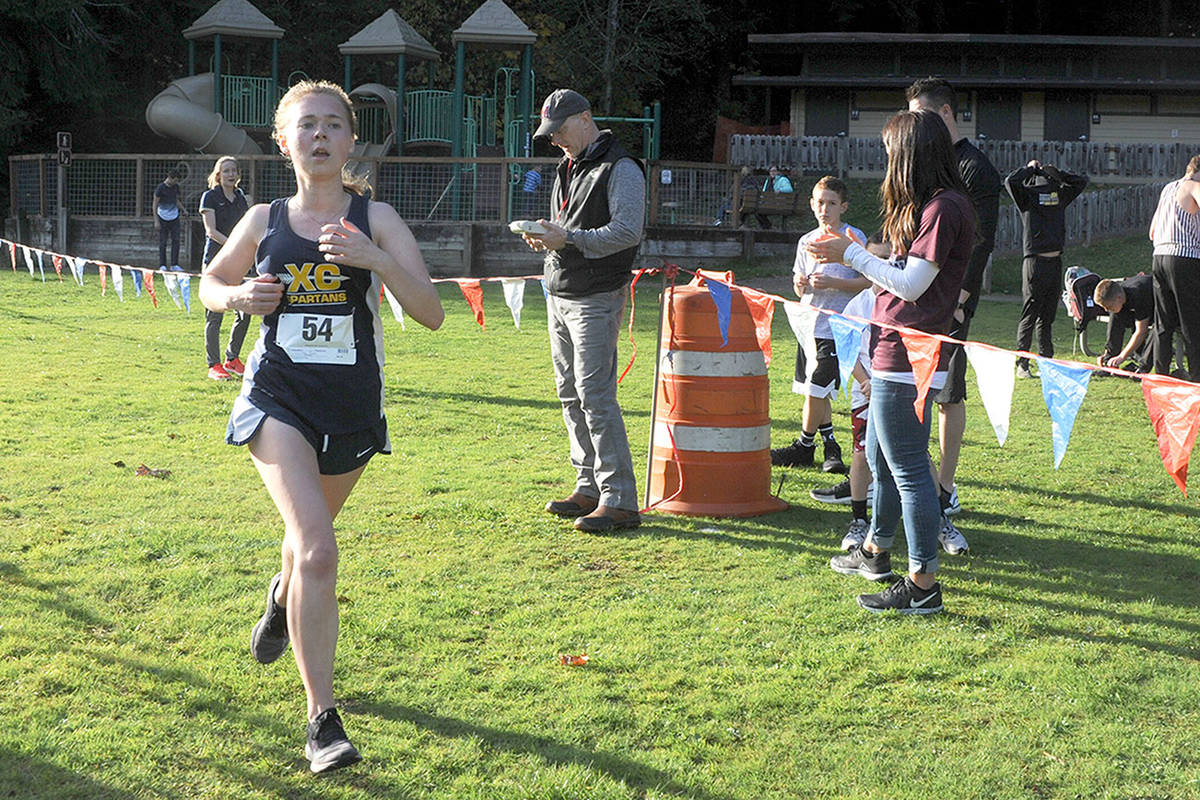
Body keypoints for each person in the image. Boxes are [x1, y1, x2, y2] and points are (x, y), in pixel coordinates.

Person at [199, 80, 444, 773]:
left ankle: (281, 598)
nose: (321, 136)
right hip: (277, 397)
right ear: (285, 141)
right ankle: (321, 723)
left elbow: (431, 312)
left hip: (351, 407)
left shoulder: (379, 218)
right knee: (319, 549)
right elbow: (208, 284)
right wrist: (240, 293)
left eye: (334, 125)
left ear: (349, 141)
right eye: (307, 126)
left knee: (304, 553)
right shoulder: (261, 218)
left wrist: (377, 260)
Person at [807, 108, 976, 615]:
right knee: (881, 459)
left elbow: (912, 283)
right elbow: (903, 268)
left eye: (889, 153)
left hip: (911, 354)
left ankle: (922, 584)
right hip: (892, 347)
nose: (886, 162)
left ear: (911, 155)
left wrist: (851, 255)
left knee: (907, 469)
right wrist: (865, 253)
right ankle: (877, 552)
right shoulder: (930, 206)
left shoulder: (946, 207)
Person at [521, 88, 645, 532]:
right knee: (571, 395)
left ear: (586, 118)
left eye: (560, 130)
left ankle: (620, 499)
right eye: (550, 133)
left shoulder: (622, 167)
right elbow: (572, 227)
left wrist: (567, 239)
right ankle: (589, 486)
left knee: (594, 396)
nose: (555, 140)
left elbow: (627, 232)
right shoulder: (568, 165)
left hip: (596, 295)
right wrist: (548, 236)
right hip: (562, 291)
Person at [905, 77, 1001, 526]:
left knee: (946, 390)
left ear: (945, 114)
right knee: (908, 387)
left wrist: (959, 299)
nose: (916, 127)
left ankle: (945, 488)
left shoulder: (974, 169)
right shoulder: (927, 164)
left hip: (951, 300)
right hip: (918, 294)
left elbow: (979, 242)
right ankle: (900, 475)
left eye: (922, 116)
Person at [771, 176, 868, 473]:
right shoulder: (806, 241)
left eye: (832, 203)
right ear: (812, 205)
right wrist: (800, 284)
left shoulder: (853, 237)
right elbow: (799, 286)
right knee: (818, 390)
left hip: (839, 327)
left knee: (816, 389)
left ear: (844, 207)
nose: (825, 209)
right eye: (820, 202)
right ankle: (830, 448)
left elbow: (868, 282)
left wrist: (835, 283)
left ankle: (804, 444)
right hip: (809, 325)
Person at [1006, 159, 1088, 378]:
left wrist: (1056, 172)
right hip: (1034, 261)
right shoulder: (1028, 197)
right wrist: (1030, 168)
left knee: (1047, 316)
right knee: (1030, 313)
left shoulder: (1058, 195)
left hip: (1054, 261)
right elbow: (1010, 181)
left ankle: (1047, 361)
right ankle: (1022, 364)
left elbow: (1081, 182)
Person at [199, 157, 251, 381]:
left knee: (245, 311)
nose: (230, 174)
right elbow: (211, 231)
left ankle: (233, 359)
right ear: (218, 175)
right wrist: (233, 246)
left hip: (238, 260)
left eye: (234, 170)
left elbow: (248, 227)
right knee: (215, 315)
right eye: (226, 171)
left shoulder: (241, 197)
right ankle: (214, 365)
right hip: (216, 260)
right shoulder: (210, 197)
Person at [1150, 155, 1200, 381]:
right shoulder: (1194, 186)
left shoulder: (1168, 188)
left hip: (1159, 255)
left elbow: (1152, 231)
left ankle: (1160, 374)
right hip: (1184, 257)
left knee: (1163, 321)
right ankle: (1197, 376)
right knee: (1191, 320)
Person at [1094, 276, 1154, 371]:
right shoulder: (1119, 296)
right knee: (1115, 315)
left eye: (1108, 306)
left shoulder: (1138, 293)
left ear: (1118, 298)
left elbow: (1141, 331)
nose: (1106, 310)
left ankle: (1143, 366)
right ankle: (1109, 357)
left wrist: (1122, 356)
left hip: (1165, 308)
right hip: (1141, 307)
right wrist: (1107, 353)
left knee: (1154, 328)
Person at [153, 168, 184, 276]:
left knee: (176, 240)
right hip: (162, 217)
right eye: (175, 180)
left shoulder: (176, 187)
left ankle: (174, 264)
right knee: (163, 242)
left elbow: (176, 200)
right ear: (170, 178)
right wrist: (156, 220)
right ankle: (162, 265)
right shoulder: (160, 188)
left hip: (174, 217)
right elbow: (155, 204)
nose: (176, 182)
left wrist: (183, 210)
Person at [756, 165, 793, 229]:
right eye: (771, 171)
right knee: (757, 211)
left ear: (778, 172)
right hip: (769, 203)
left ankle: (768, 227)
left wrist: (780, 190)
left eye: (774, 171)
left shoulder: (783, 180)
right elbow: (764, 192)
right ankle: (767, 227)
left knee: (759, 211)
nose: (772, 173)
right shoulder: (768, 180)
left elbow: (789, 189)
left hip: (780, 204)